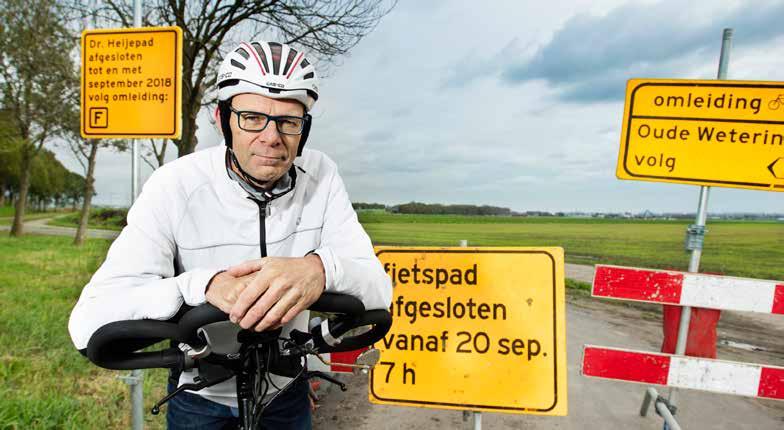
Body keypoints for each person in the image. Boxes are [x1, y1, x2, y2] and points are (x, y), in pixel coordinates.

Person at [68, 40, 392, 429]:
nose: (272, 137)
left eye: (289, 121)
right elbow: (88, 323)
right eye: (252, 117)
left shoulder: (321, 176)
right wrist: (201, 286)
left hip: (285, 392)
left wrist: (318, 270)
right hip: (199, 396)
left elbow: (378, 290)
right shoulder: (175, 184)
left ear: (304, 129)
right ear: (223, 120)